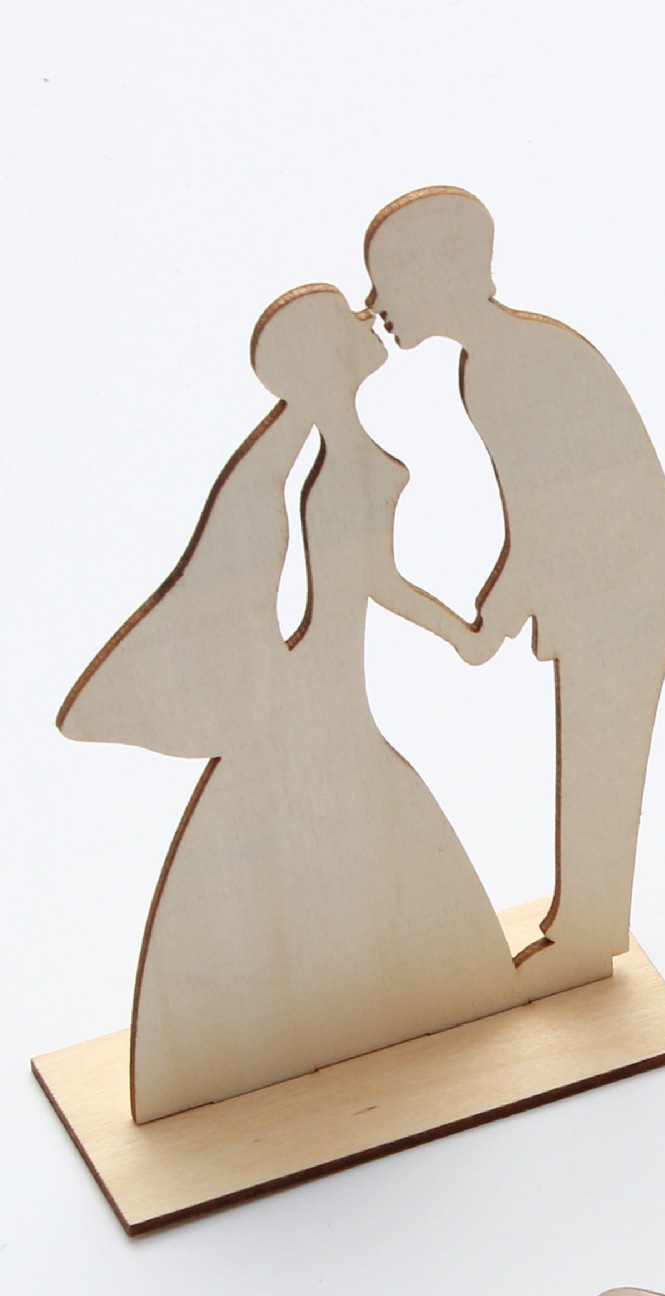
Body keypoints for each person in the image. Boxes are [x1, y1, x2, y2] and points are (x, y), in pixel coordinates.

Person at [59, 287, 520, 1120]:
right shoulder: (330, 471)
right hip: (324, 695)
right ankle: (259, 1037)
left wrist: (463, 633)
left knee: (335, 834)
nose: (366, 316)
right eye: (346, 316)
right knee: (352, 826)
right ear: (319, 360)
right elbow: (371, 582)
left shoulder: (323, 454)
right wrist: (464, 635)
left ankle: (296, 1018)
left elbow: (363, 580)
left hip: (325, 687)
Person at [364, 186, 665, 995]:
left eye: (386, 280)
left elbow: (554, 512)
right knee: (595, 763)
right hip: (606, 592)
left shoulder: (512, 366)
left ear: (436, 274)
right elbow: (547, 514)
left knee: (601, 766)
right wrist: (500, 613)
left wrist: (495, 619)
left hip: (623, 595)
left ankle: (588, 935)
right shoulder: (496, 362)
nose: (373, 303)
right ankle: (584, 925)